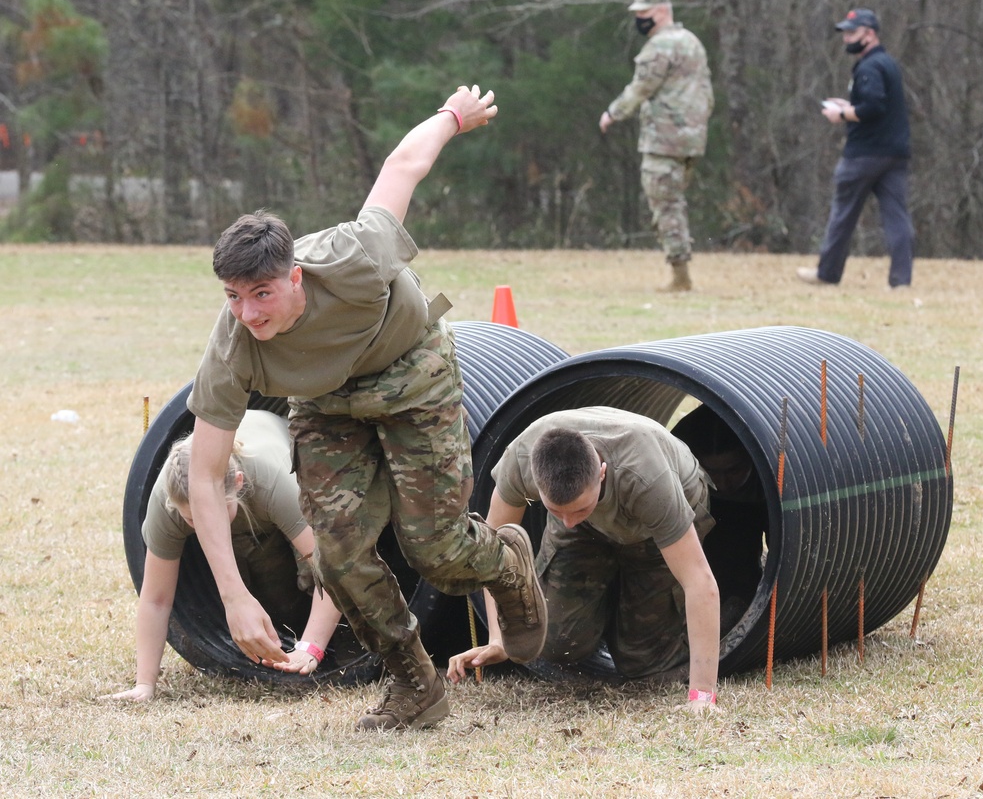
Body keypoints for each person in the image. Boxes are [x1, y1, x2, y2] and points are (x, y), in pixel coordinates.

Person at [184, 84, 547, 732]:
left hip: (411, 372)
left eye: (261, 293)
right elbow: (206, 473)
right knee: (336, 554)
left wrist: (450, 117)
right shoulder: (233, 341)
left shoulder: (352, 258)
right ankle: (415, 683)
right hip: (327, 403)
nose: (248, 312)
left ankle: (508, 560)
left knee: (434, 549)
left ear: (294, 276)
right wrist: (234, 596)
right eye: (234, 295)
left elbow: (401, 168)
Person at [447, 406, 721, 711]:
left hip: (660, 517)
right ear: (536, 486)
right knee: (551, 641)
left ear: (601, 474)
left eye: (578, 509)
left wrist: (702, 696)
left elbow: (699, 581)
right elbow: (492, 556)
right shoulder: (521, 460)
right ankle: (603, 599)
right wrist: (500, 640)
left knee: (645, 661)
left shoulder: (647, 479)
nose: (567, 522)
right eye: (555, 511)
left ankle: (654, 619)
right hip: (593, 528)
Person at [101, 410, 342, 702]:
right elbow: (155, 599)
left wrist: (311, 647)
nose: (202, 522)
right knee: (255, 581)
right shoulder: (167, 503)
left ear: (238, 483)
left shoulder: (271, 483)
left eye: (211, 512)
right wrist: (144, 684)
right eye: (192, 520)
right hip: (247, 518)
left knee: (307, 578)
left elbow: (335, 572)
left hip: (292, 466)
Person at [599, 0, 714, 293]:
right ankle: (680, 271)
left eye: (643, 13)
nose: (639, 19)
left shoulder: (659, 47)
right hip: (691, 138)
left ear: (662, 11)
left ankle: (680, 276)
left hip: (665, 138)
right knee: (673, 200)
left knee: (665, 205)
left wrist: (613, 113)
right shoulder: (691, 41)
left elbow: (641, 88)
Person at [797, 8, 914, 289]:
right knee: (897, 217)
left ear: (869, 34)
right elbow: (879, 105)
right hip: (894, 153)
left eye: (852, 33)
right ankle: (901, 281)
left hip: (864, 154)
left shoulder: (869, 67)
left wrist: (842, 115)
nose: (846, 39)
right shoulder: (887, 63)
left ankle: (827, 273)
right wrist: (850, 106)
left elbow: (874, 106)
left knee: (843, 215)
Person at [670, 404, 769, 633]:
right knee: (722, 567)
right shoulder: (682, 449)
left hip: (766, 497)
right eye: (714, 472)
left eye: (733, 471)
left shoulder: (771, 457)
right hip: (710, 505)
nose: (724, 483)